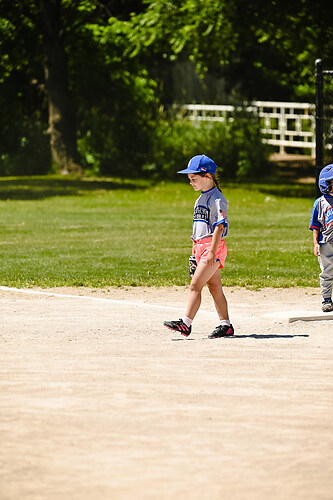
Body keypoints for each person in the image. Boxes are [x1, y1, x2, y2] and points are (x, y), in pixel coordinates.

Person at [163, 154, 234, 338]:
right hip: (202, 247)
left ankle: (186, 323)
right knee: (214, 287)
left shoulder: (217, 198)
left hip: (213, 247)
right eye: (189, 179)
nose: (191, 182)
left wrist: (211, 252)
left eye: (194, 179)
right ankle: (226, 325)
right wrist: (196, 249)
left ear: (207, 176)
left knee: (195, 285)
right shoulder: (201, 198)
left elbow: (220, 226)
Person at [309, 164, 333, 312]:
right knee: (327, 271)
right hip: (326, 243)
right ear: (325, 184)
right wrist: (315, 243)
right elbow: (315, 225)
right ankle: (327, 299)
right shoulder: (319, 203)